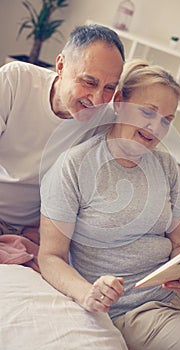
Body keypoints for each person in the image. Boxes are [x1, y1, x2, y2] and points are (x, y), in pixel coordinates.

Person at [38, 59, 180, 350]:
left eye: (167, 119)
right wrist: (87, 292)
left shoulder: (165, 163)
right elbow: (50, 256)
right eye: (147, 112)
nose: (156, 127)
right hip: (136, 309)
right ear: (119, 103)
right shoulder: (74, 166)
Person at [0, 23, 124, 236]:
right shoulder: (16, 79)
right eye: (89, 82)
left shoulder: (106, 120)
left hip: (28, 229)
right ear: (61, 65)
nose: (97, 99)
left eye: (109, 87)